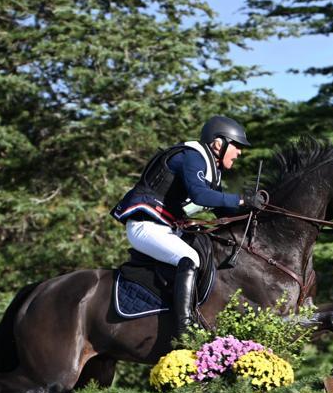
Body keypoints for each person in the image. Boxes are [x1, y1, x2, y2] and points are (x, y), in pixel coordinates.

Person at [111, 115, 268, 337]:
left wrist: (255, 209)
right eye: (237, 146)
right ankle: (184, 327)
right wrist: (241, 200)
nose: (240, 153)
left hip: (166, 228)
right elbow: (200, 195)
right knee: (190, 258)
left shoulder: (212, 170)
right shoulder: (192, 157)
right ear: (218, 143)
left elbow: (221, 207)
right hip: (145, 226)